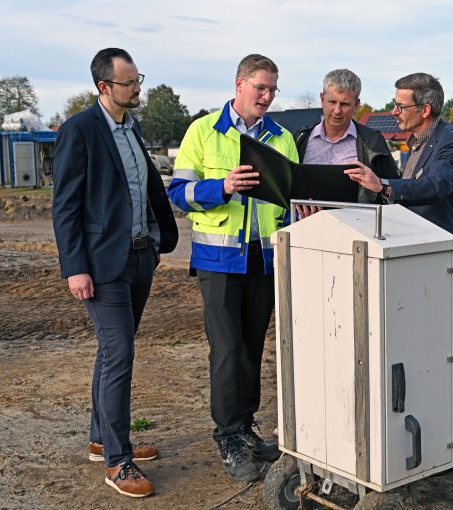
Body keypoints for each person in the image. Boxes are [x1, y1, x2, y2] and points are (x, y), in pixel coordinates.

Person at [52, 47, 178, 498]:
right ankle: (118, 462)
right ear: (104, 86)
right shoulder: (79, 130)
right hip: (102, 265)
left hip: (140, 255)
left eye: (138, 78)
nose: (138, 87)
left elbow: (143, 186)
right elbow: (64, 206)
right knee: (119, 354)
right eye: (129, 82)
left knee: (112, 353)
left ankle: (101, 438)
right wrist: (75, 268)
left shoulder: (132, 126)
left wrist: (163, 237)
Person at [167, 54, 298, 483]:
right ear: (239, 84)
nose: (267, 96)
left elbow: (293, 197)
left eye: (272, 89)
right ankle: (227, 437)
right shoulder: (203, 132)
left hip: (265, 259)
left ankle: (245, 427)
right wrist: (220, 187)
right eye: (260, 87)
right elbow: (178, 193)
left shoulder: (281, 138)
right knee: (226, 351)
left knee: (252, 348)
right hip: (219, 260)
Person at [345, 72, 453, 386]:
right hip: (421, 258)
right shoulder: (418, 143)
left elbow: (436, 185)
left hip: (444, 262)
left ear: (424, 109)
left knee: (449, 347)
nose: (394, 112)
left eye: (400, 106)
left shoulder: (450, 144)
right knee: (426, 341)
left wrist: (384, 185)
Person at [294, 68, 399, 217]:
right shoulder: (300, 139)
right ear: (322, 99)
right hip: (305, 230)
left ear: (356, 105)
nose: (337, 110)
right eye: (332, 102)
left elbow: (393, 192)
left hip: (358, 232)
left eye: (344, 104)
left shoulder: (373, 141)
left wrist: (379, 184)